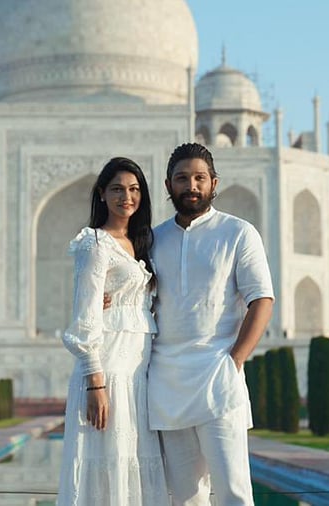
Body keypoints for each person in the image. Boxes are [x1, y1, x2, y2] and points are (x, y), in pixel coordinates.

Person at [148, 143, 275, 505]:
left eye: (199, 178)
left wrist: (235, 360)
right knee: (185, 496)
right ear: (168, 185)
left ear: (214, 183)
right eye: (182, 178)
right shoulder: (154, 239)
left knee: (233, 492)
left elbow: (262, 299)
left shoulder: (238, 233)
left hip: (217, 375)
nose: (191, 186)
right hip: (167, 382)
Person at [57, 157, 168, 505]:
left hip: (138, 370)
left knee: (131, 459)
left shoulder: (141, 243)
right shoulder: (95, 243)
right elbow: (84, 315)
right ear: (102, 193)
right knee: (107, 460)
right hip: (108, 371)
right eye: (117, 189)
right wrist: (95, 382)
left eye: (134, 189)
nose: (126, 197)